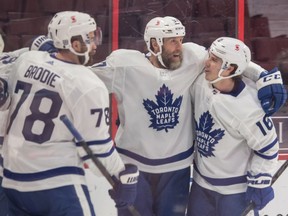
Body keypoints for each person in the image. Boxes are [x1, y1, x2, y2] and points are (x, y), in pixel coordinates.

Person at [90, 16, 286, 216]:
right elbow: (83, 80)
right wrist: (59, 62)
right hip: (136, 167)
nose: (179, 47)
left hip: (177, 170)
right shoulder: (125, 65)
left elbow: (234, 60)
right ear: (154, 44)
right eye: (172, 41)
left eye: (180, 39)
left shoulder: (191, 58)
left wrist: (263, 76)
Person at [2, 11, 138, 216]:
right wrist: (121, 175)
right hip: (56, 185)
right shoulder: (88, 84)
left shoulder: (27, 61)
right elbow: (97, 152)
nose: (94, 45)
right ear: (75, 44)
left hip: (13, 180)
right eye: (90, 38)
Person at [187, 37, 279, 216]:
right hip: (201, 186)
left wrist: (259, 181)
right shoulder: (200, 83)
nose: (207, 62)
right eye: (209, 56)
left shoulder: (250, 108)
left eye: (214, 60)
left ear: (229, 68)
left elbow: (268, 148)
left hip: (234, 194)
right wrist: (261, 74)